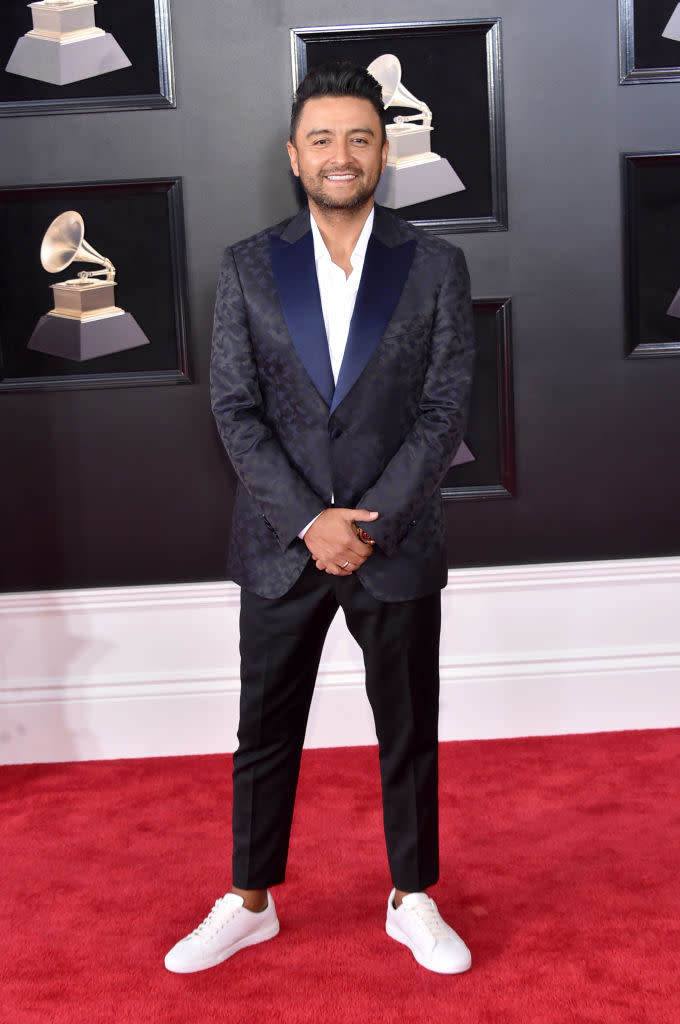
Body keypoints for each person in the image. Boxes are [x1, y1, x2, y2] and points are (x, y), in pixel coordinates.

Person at [165, 60, 475, 977]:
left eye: (360, 138)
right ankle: (250, 899)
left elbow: (444, 408)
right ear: (294, 157)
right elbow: (235, 407)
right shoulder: (249, 266)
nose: (341, 155)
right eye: (322, 140)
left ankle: (412, 895)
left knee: (407, 723)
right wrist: (311, 520)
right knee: (264, 727)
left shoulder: (436, 266)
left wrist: (367, 523)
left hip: (396, 539)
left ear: (384, 151)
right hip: (279, 543)